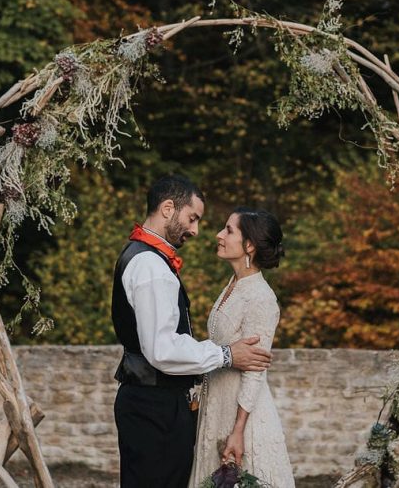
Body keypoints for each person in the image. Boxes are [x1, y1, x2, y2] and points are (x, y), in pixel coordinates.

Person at [112, 175, 273, 488]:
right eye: (192, 218)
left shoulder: (144, 257)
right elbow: (163, 350)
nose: (197, 230)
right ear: (168, 208)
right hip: (154, 406)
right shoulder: (151, 267)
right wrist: (227, 354)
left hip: (152, 402)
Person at [189, 208, 295, 488]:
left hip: (242, 417)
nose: (219, 235)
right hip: (216, 405)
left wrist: (238, 431)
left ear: (249, 245)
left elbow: (255, 372)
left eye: (228, 230)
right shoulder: (233, 284)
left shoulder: (261, 298)